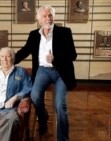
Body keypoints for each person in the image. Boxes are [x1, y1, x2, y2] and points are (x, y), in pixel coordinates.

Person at [14, 5, 77, 141]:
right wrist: (8, 61)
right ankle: (43, 117)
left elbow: (73, 55)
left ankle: (63, 139)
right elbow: (24, 51)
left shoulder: (65, 32)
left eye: (50, 15)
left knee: (60, 105)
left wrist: (56, 58)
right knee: (35, 96)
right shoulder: (34, 35)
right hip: (43, 70)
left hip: (61, 71)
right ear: (39, 19)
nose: (48, 18)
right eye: (45, 16)